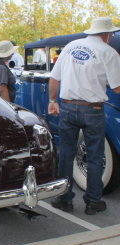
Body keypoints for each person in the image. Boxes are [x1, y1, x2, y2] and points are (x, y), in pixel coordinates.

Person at [48, 17, 120, 215]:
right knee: (95, 157)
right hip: (93, 110)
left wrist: (52, 101)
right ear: (107, 34)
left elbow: (55, 78)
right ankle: (93, 202)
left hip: (68, 108)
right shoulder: (109, 52)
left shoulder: (71, 46)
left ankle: (64, 199)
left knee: (66, 154)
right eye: (111, 34)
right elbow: (117, 87)